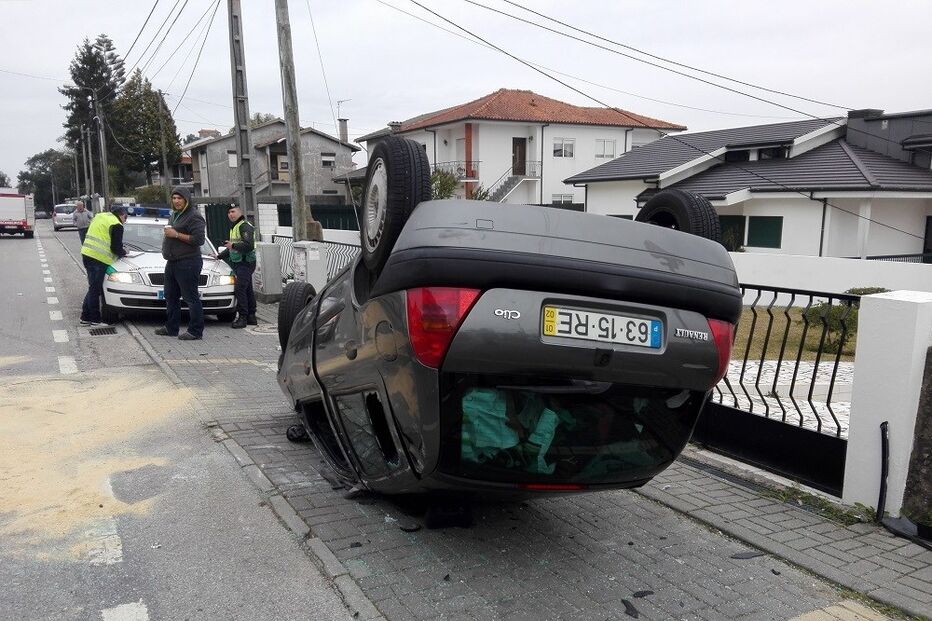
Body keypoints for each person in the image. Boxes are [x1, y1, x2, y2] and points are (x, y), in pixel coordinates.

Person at [155, 186, 206, 341]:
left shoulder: (194, 216)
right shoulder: (175, 214)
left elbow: (199, 240)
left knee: (190, 297)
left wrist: (176, 234)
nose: (176, 201)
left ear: (186, 200)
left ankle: (195, 331)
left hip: (188, 261)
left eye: (180, 198)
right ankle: (171, 328)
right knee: (170, 295)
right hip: (173, 261)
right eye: (174, 198)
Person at [79, 205, 127, 326]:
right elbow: (115, 248)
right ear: (121, 215)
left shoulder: (100, 216)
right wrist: (124, 252)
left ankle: (85, 317)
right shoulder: (117, 224)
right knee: (95, 290)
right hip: (99, 259)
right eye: (125, 217)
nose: (125, 221)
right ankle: (95, 319)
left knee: (93, 288)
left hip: (87, 254)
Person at [217, 205, 257, 328]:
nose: (231, 214)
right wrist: (218, 256)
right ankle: (251, 317)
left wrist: (233, 246)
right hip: (240, 262)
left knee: (240, 289)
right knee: (247, 289)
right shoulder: (235, 226)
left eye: (233, 211)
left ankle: (242, 318)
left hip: (245, 262)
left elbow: (248, 245)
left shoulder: (244, 226)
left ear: (240, 212)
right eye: (229, 212)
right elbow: (231, 247)